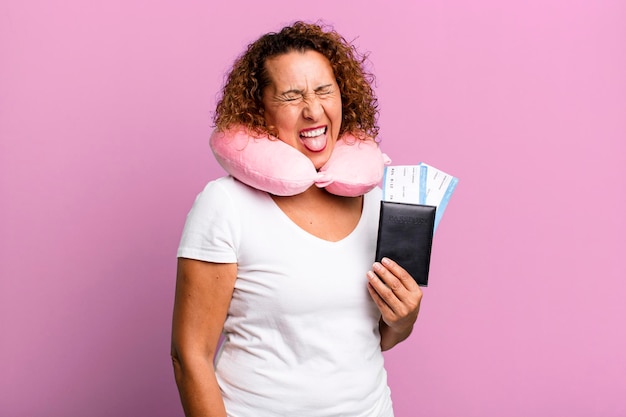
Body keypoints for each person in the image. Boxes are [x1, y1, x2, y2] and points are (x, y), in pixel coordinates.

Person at [171, 21, 423, 417]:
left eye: (324, 91)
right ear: (262, 113)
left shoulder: (376, 203)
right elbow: (190, 356)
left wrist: (405, 317)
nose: (313, 110)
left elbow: (375, 337)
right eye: (291, 96)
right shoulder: (226, 205)